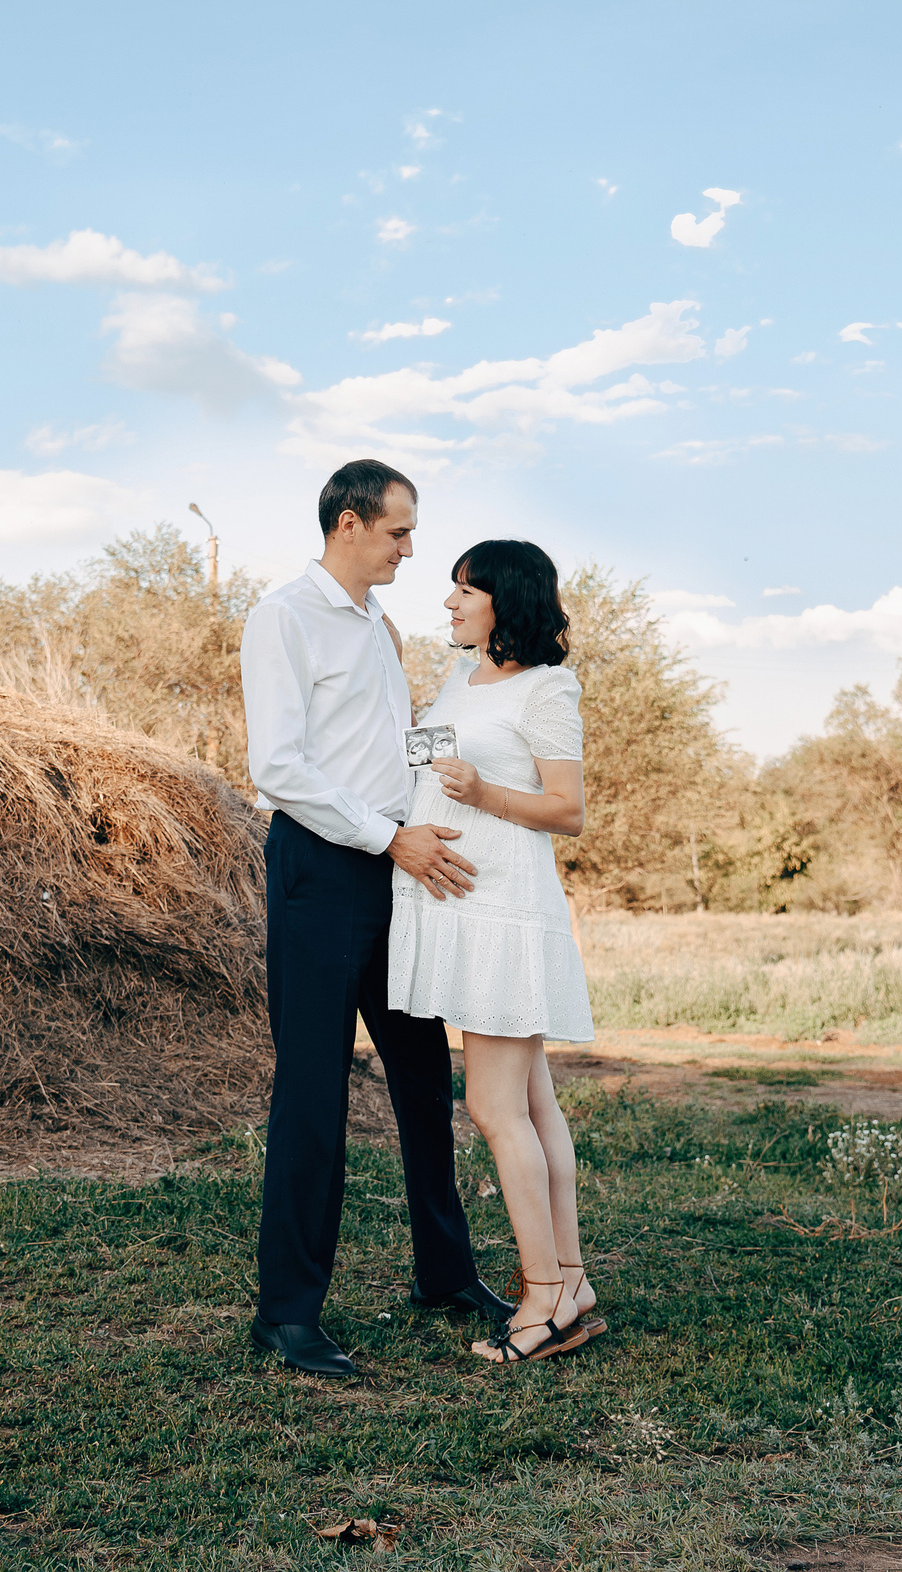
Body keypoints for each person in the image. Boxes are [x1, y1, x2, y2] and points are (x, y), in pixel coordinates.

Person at [239, 458, 515, 1380]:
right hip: (320, 869)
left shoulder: (380, 626)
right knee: (313, 1093)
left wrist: (457, 787)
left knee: (421, 1076)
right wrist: (385, 835)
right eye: (399, 532)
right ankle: (286, 1315)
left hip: (396, 868)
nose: (409, 548)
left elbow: (396, 746)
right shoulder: (283, 616)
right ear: (350, 523)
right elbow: (278, 765)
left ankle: (445, 1275)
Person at [387, 539, 601, 1363]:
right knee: (534, 1104)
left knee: (492, 1107)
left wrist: (483, 793)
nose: (449, 603)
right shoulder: (458, 679)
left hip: (505, 906)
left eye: (465, 591)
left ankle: (546, 1298)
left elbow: (567, 809)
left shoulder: (548, 688)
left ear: (505, 601)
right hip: (457, 906)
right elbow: (433, 766)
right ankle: (571, 1282)